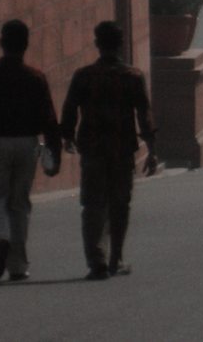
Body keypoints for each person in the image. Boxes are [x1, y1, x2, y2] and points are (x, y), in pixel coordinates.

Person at [60, 21, 158, 280]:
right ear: (121, 44)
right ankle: (116, 257)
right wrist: (152, 148)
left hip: (92, 148)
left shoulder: (84, 76)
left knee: (92, 204)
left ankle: (96, 260)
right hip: (122, 148)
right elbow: (144, 114)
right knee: (120, 204)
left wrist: (67, 135)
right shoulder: (132, 77)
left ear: (97, 44)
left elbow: (70, 109)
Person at [0, 19, 61, 282]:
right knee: (19, 204)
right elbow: (49, 118)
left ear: (1, 43)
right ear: (26, 45)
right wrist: (54, 151)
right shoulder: (35, 77)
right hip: (28, 143)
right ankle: (18, 265)